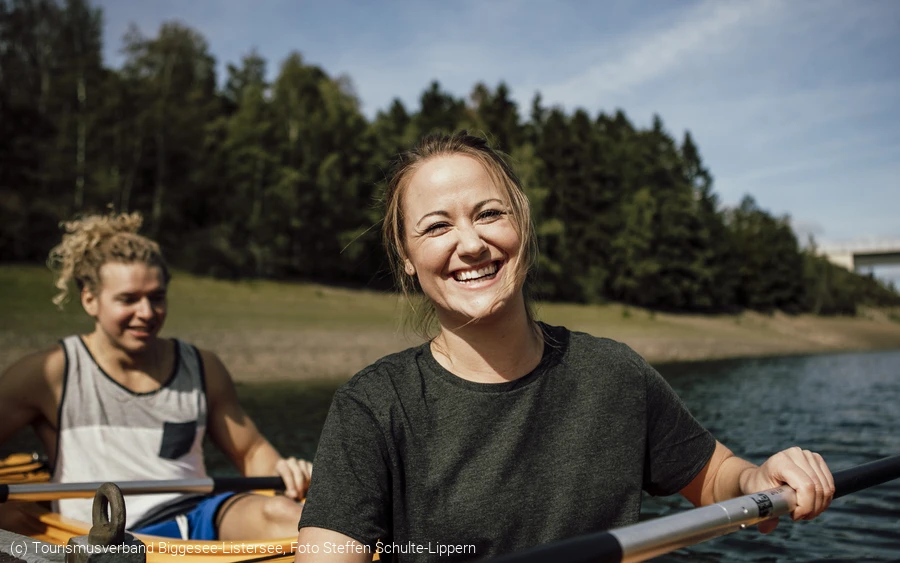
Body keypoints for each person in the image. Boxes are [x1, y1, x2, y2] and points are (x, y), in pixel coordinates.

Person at [294, 131, 835, 562]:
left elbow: (717, 478)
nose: (471, 243)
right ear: (407, 256)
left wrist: (759, 479)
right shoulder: (372, 407)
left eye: (489, 213)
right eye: (437, 226)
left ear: (522, 225)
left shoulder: (614, 373)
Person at [0, 212, 311, 541]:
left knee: (294, 519)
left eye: (156, 297)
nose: (146, 313)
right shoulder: (49, 372)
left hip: (196, 514)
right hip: (107, 536)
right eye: (128, 299)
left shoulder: (202, 366)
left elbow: (250, 453)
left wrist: (289, 475)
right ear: (90, 299)